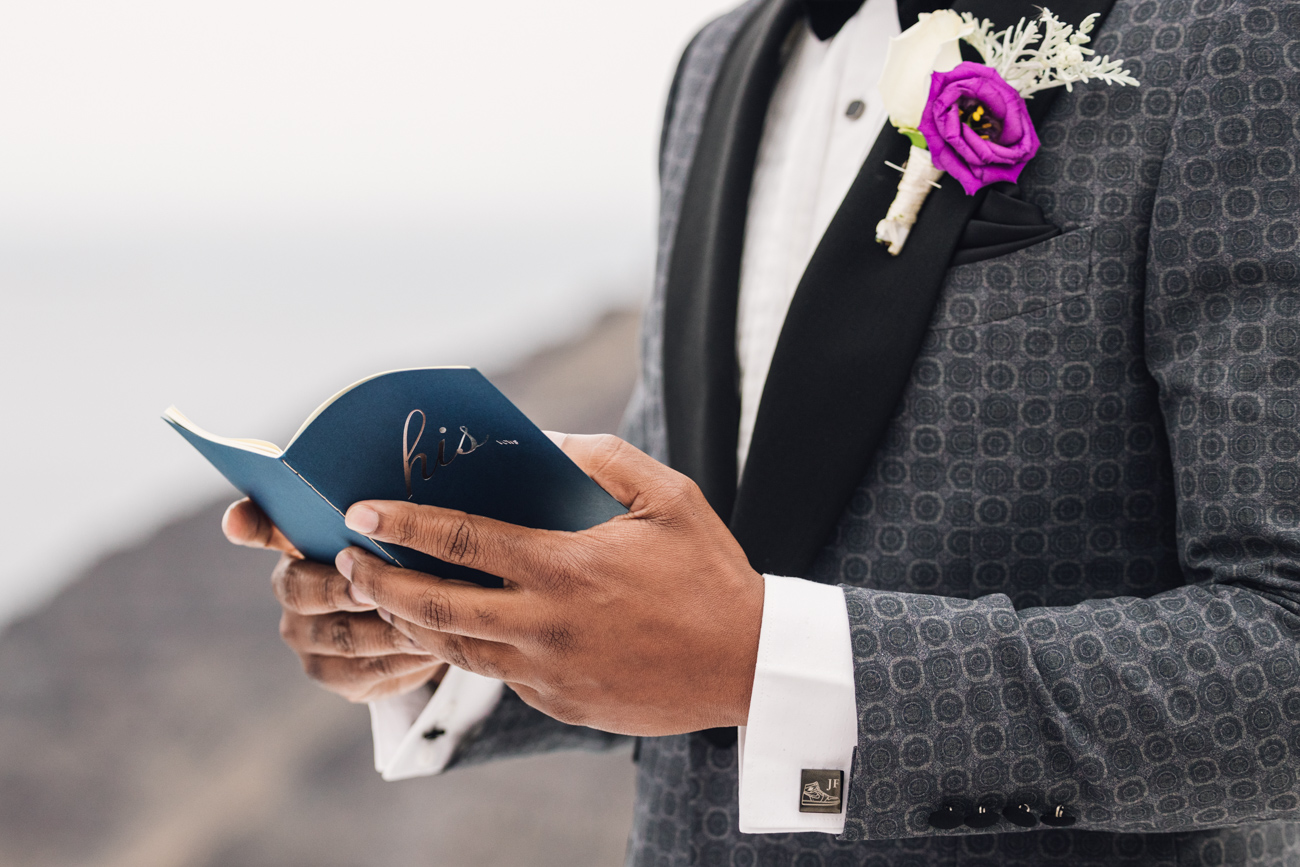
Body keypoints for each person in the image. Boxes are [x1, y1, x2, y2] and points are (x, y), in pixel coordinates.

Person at [225, 0, 1300, 862]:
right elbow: (690, 581)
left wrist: (757, 661)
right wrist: (437, 634)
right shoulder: (716, 65)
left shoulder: (1233, 38)